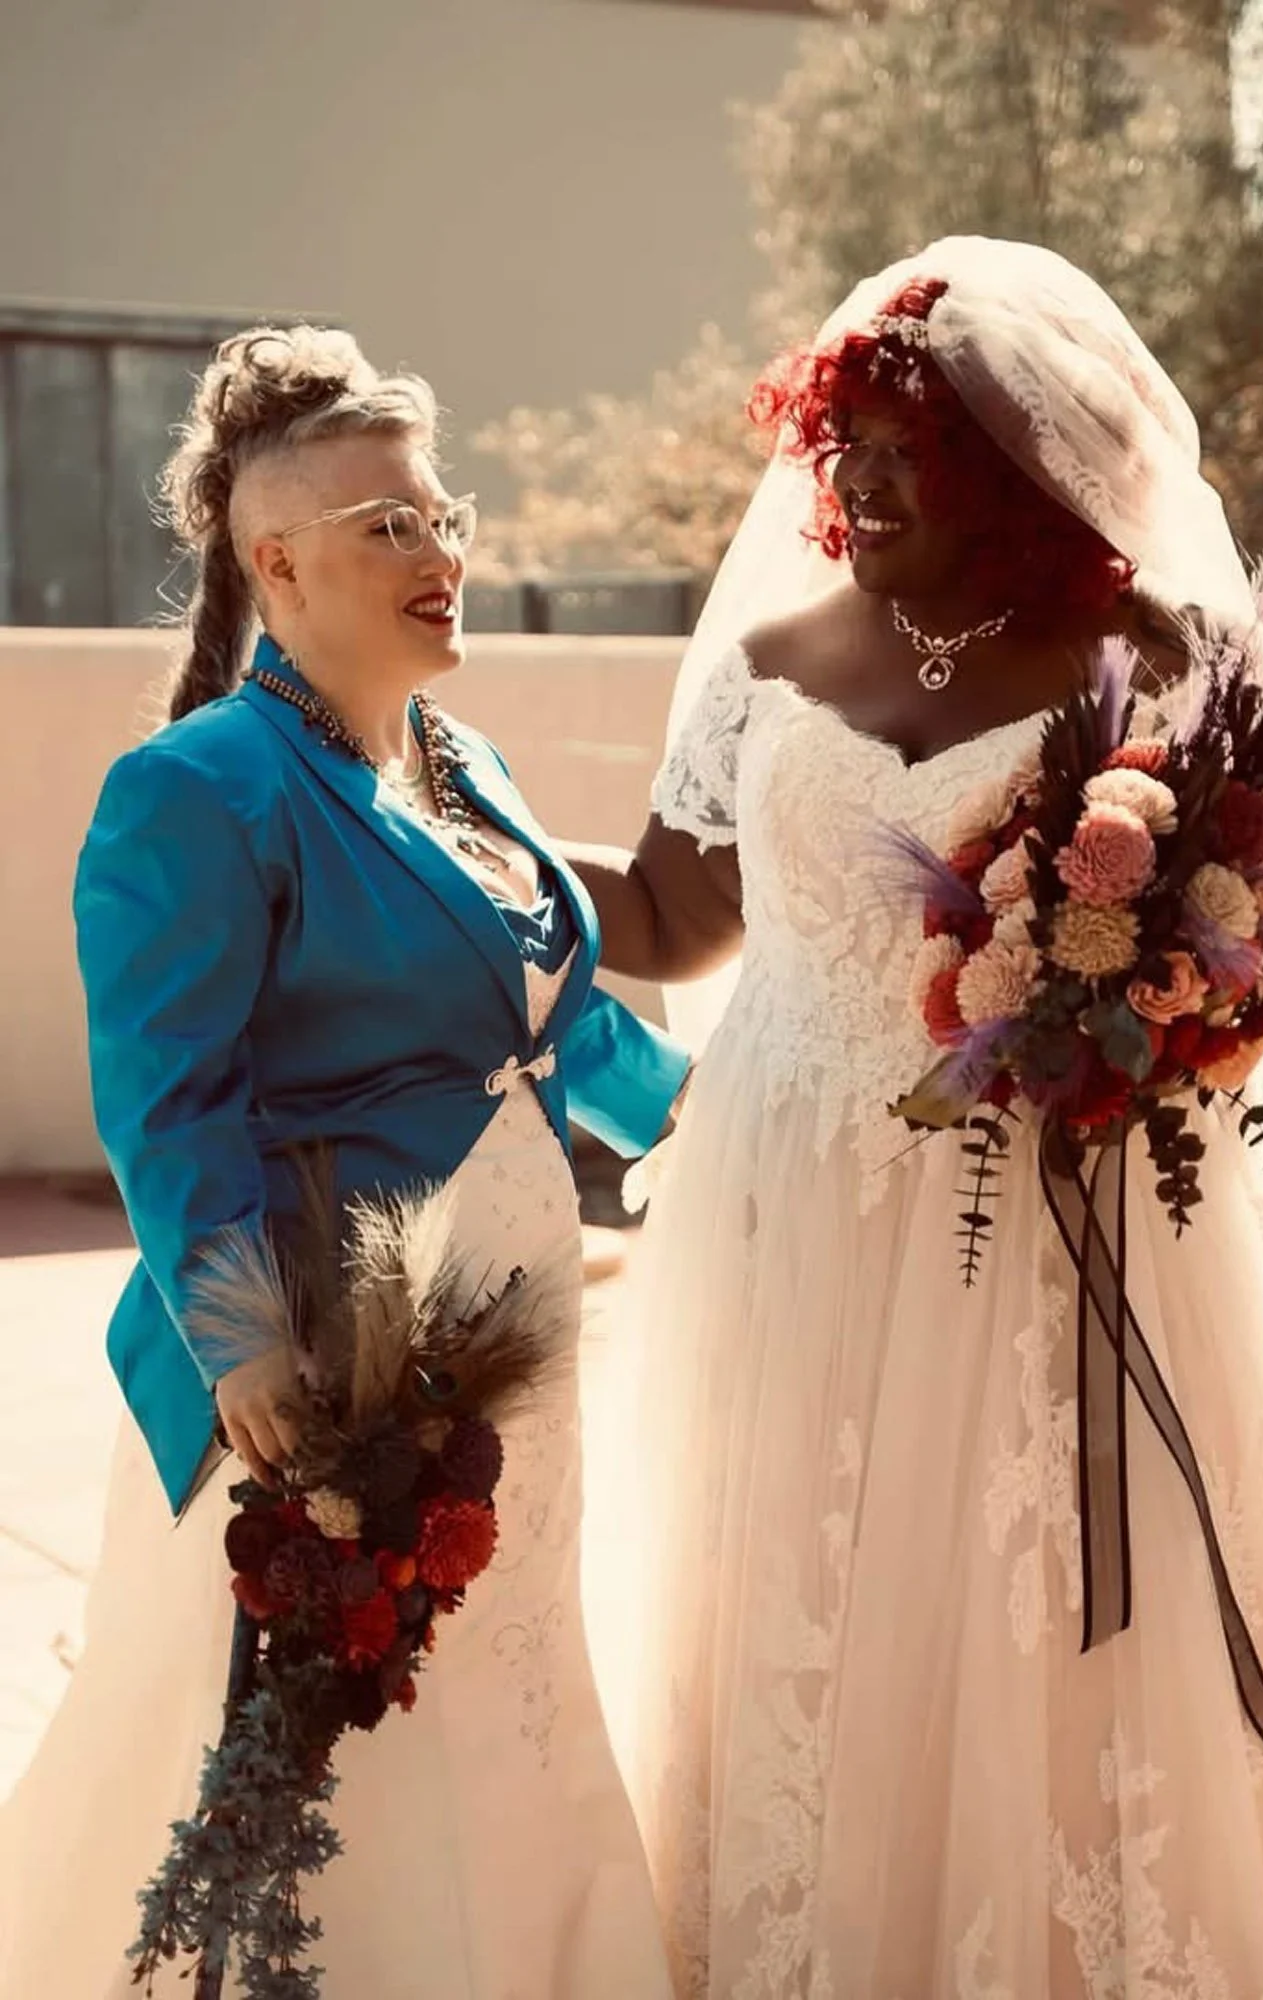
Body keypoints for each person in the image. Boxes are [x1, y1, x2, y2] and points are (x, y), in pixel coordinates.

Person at [568, 240, 1263, 1996]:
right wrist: (460, 849)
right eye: (836, 440)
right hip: (786, 1205)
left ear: (1018, 462)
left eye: (900, 449)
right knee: (800, 1602)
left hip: (1050, 1206)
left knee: (1038, 1630)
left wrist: (1170, 1013)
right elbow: (667, 917)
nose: (850, 481)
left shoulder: (1161, 653)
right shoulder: (769, 656)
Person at [0, 325, 687, 1998]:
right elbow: (167, 1098)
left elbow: (547, 1020)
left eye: (443, 512)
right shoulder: (198, 789)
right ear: (278, 563)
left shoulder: (461, 762)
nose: (441, 550)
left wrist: (737, 1133)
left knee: (501, 1688)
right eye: (392, 525)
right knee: (323, 1736)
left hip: (514, 1331)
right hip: (328, 1354)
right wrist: (243, 1338)